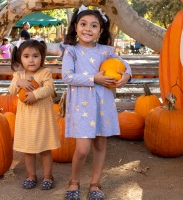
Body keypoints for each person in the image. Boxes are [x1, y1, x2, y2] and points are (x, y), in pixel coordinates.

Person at [60, 5, 132, 200]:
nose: (88, 29)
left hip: (103, 105)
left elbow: (124, 65)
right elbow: (67, 76)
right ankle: (74, 181)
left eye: (94, 25)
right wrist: (94, 78)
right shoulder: (71, 51)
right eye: (83, 24)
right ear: (75, 26)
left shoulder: (106, 51)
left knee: (100, 144)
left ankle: (95, 183)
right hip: (81, 106)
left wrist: (127, 75)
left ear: (100, 31)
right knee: (82, 148)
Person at [8, 39, 60, 190]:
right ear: (20, 58)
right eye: (26, 56)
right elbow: (11, 91)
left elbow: (49, 88)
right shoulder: (18, 75)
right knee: (28, 149)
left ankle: (48, 176)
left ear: (42, 57)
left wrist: (35, 95)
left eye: (35, 56)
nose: (31, 60)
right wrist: (19, 83)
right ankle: (31, 175)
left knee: (45, 149)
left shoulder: (45, 72)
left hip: (42, 118)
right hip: (26, 120)